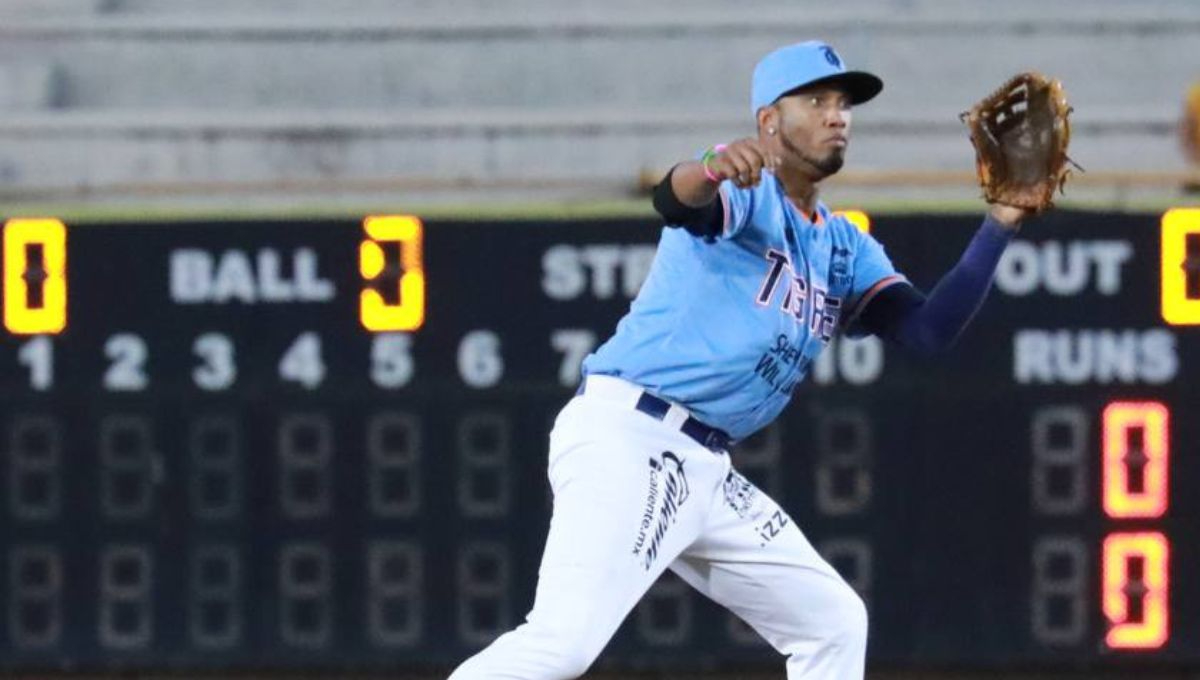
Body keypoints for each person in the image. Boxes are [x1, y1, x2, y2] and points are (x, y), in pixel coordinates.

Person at [448, 40, 1031, 680]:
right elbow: (675, 199)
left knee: (833, 623)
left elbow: (926, 332)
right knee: (562, 644)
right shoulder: (749, 192)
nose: (837, 115)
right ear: (768, 122)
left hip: (705, 463)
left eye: (843, 103)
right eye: (816, 100)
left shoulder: (843, 245)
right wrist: (713, 164)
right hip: (632, 437)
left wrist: (1000, 222)